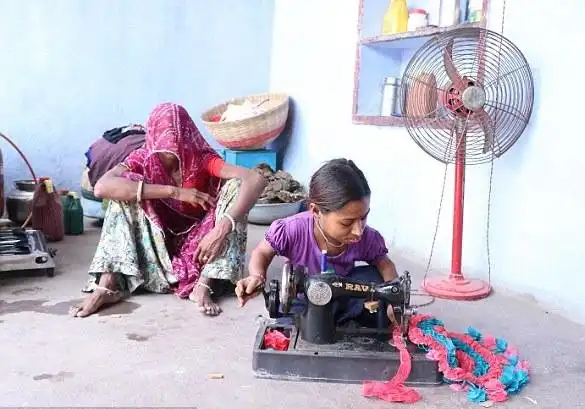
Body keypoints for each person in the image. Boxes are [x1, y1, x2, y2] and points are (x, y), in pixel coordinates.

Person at [69, 103, 266, 318]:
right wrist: (174, 192)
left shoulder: (201, 158)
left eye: (177, 146)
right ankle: (107, 285)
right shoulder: (143, 158)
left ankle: (204, 284)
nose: (172, 154)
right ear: (154, 139)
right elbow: (101, 187)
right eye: (165, 148)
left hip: (200, 246)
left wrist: (222, 228)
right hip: (156, 244)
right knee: (123, 190)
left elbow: (255, 179)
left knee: (236, 187)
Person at [234, 158, 399, 328]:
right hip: (303, 303)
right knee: (290, 326)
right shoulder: (293, 230)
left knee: (374, 277)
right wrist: (256, 276)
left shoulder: (366, 237)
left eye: (363, 217)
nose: (358, 230)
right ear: (316, 211)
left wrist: (393, 298)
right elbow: (262, 252)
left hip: (343, 299)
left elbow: (384, 263)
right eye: (347, 222)